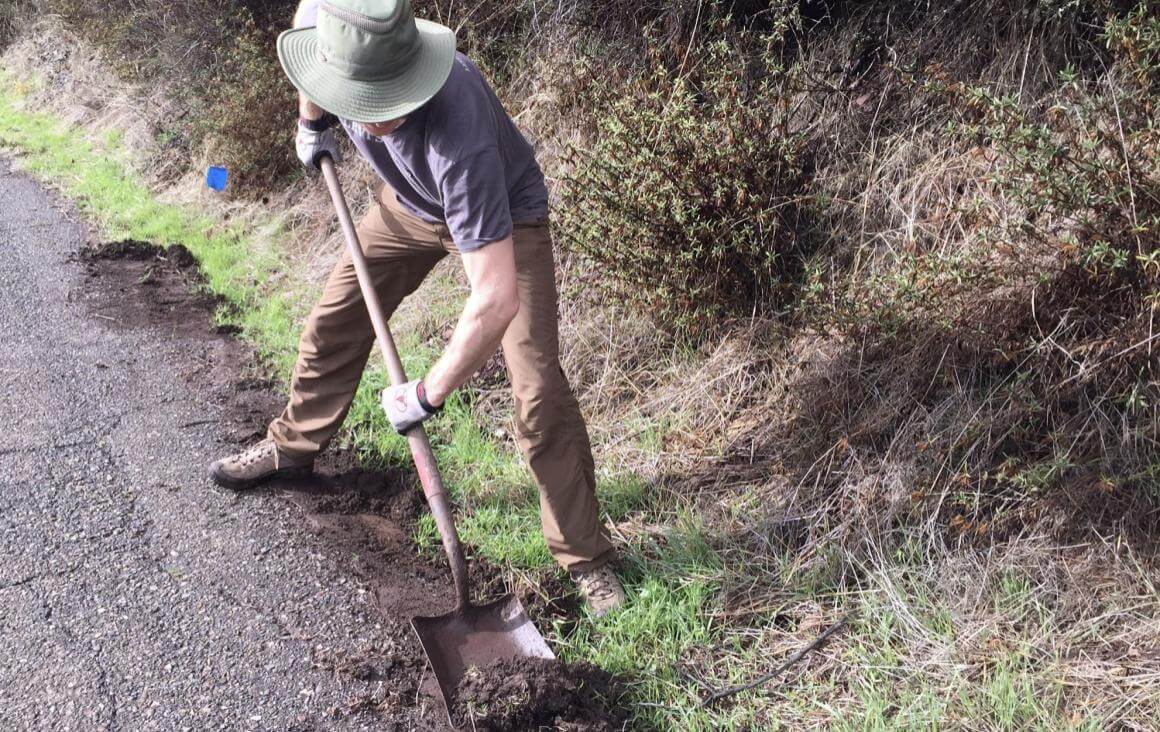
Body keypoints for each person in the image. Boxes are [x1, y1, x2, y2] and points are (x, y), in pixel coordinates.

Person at [208, 0, 625, 615]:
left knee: (538, 389)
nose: (376, 121)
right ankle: (292, 447)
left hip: (504, 219)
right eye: (364, 103)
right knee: (335, 318)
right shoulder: (333, 40)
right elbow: (307, 31)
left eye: (389, 105)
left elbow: (495, 298)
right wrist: (312, 124)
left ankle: (586, 559)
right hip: (405, 209)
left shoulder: (461, 140)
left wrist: (426, 394)